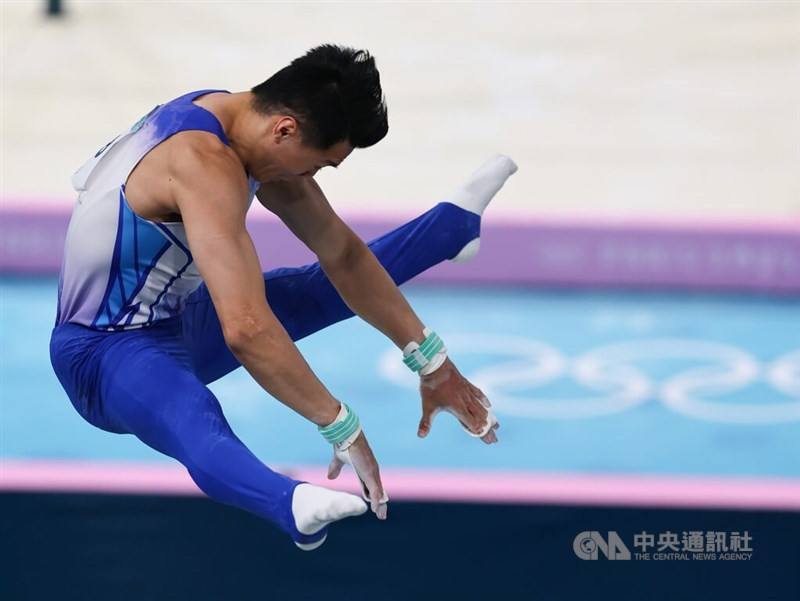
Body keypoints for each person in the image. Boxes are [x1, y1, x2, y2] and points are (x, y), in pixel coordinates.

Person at [49, 44, 517, 551]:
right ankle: (287, 504)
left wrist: (433, 366)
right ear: (286, 130)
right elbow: (246, 330)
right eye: (319, 166)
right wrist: (340, 424)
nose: (312, 180)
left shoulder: (238, 122)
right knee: (190, 408)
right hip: (101, 353)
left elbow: (345, 256)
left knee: (309, 287)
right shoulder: (203, 162)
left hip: (175, 319)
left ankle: (450, 228)